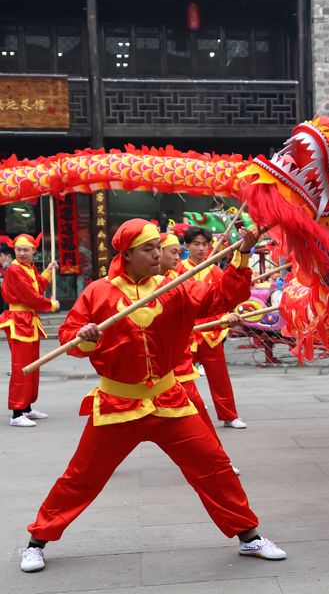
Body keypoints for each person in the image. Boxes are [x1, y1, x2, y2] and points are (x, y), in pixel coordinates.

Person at [19, 219, 285, 573]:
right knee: (81, 478)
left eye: (158, 247)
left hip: (168, 400)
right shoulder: (99, 292)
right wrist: (85, 335)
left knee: (215, 467)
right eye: (148, 249)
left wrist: (242, 255)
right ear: (126, 255)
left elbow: (220, 297)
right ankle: (37, 541)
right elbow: (70, 338)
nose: (158, 254)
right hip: (118, 405)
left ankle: (248, 536)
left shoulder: (174, 287)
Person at [182, 226, 246, 428]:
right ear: (187, 246)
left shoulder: (216, 271)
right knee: (180, 376)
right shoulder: (177, 270)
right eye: (196, 244)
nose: (201, 249)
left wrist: (229, 314)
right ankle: (186, 412)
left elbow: (226, 298)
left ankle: (229, 415)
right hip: (186, 333)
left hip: (212, 332)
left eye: (205, 244)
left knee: (220, 376)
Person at [0, 234, 58, 426]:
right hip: (18, 321)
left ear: (34, 251)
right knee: (22, 367)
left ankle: (26, 407)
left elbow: (37, 287)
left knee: (33, 366)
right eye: (18, 250)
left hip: (29, 321)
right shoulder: (15, 270)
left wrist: (48, 271)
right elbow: (29, 296)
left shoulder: (29, 268)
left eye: (26, 250)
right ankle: (17, 413)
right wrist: (50, 304)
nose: (22, 253)